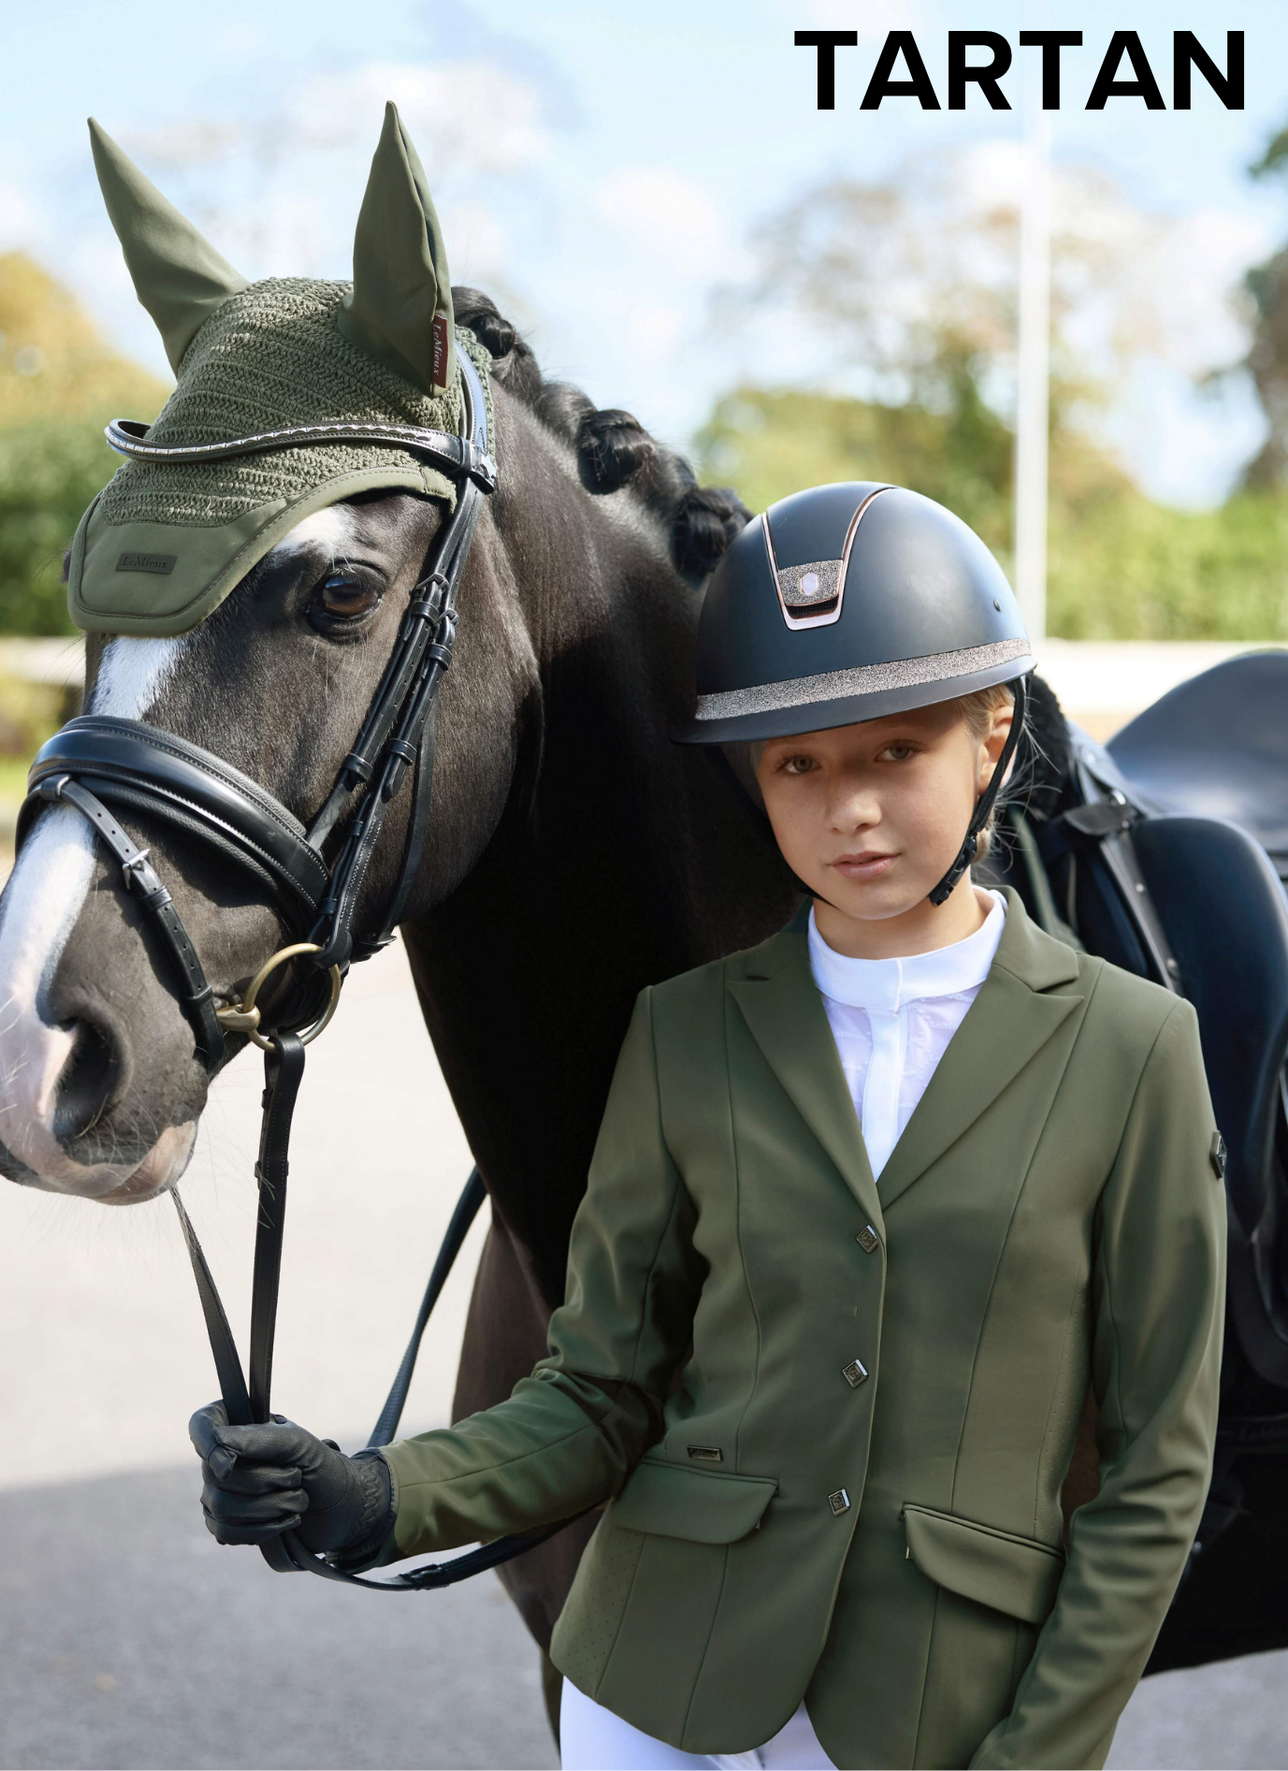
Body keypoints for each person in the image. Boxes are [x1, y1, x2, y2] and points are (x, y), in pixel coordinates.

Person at [189, 483, 1226, 1770]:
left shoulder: (1133, 1048)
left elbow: (1148, 1479)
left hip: (932, 1711)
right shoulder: (683, 1034)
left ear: (989, 733)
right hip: (653, 1690)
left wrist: (1041, 1751)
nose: (847, 808)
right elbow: (595, 1393)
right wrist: (370, 1491)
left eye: (893, 751)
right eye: (798, 764)